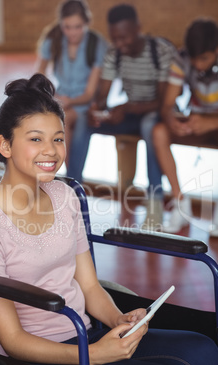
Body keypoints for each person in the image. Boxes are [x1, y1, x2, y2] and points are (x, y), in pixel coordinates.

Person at [0, 73, 218, 365]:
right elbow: (12, 340)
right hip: (36, 362)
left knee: (203, 350)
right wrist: (94, 354)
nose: (51, 151)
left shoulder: (65, 196)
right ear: (4, 144)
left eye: (58, 139)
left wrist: (118, 320)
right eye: (35, 139)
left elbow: (90, 286)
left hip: (86, 333)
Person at [67, 3, 176, 230]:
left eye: (124, 37)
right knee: (85, 121)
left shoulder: (160, 51)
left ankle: (154, 203)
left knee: (149, 126)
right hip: (129, 116)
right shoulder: (114, 54)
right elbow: (103, 95)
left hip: (156, 117)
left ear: (138, 28)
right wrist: (97, 110)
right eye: (115, 38)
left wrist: (125, 108)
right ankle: (72, 191)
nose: (120, 44)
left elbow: (163, 102)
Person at [152, 18, 218, 235]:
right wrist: (171, 118)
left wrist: (211, 122)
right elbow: (167, 105)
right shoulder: (181, 58)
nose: (198, 64)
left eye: (205, 58)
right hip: (196, 117)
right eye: (194, 59)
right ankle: (181, 203)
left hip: (213, 121)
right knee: (159, 131)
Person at [36, 0, 107, 168]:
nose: (72, 32)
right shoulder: (53, 38)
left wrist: (67, 102)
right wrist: (52, 97)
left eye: (78, 27)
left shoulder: (96, 44)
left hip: (85, 103)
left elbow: (90, 93)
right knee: (51, 120)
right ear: (61, 24)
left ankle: (70, 176)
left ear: (87, 23)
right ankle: (68, 175)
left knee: (63, 120)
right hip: (60, 100)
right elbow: (38, 77)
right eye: (67, 27)